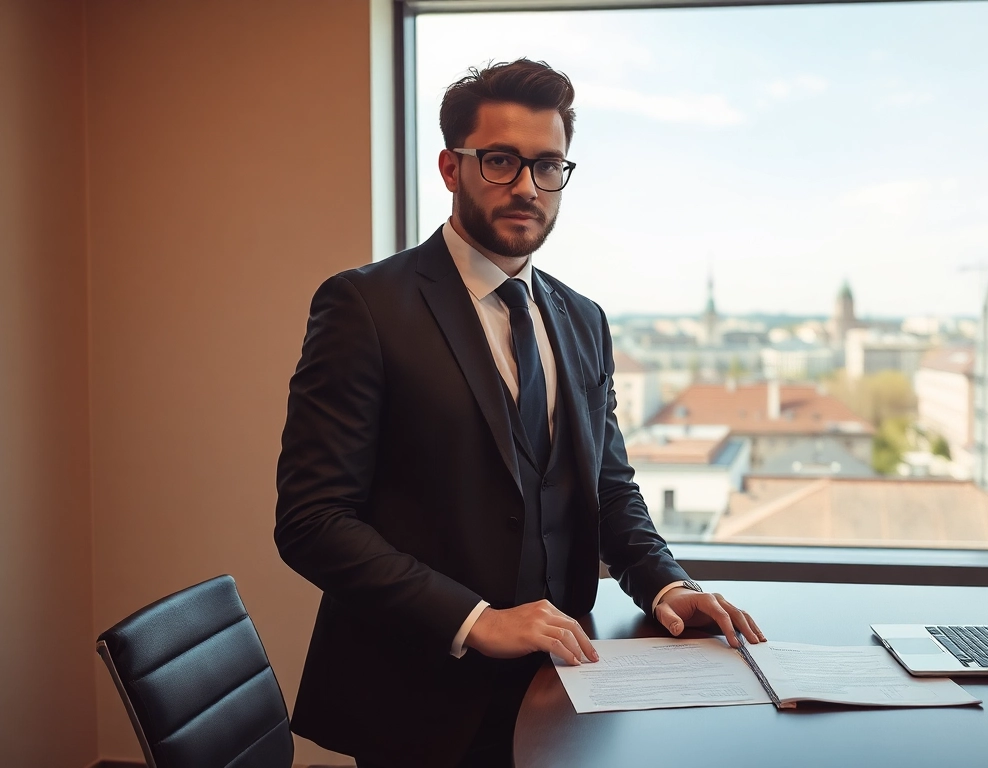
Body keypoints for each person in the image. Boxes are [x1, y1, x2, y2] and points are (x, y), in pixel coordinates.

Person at [274, 58, 764, 768]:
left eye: (547, 166)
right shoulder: (364, 307)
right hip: (419, 700)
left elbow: (610, 486)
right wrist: (476, 622)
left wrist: (665, 582)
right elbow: (312, 522)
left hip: (567, 683)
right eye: (500, 162)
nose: (526, 188)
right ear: (450, 167)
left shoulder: (583, 319)